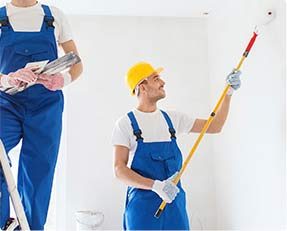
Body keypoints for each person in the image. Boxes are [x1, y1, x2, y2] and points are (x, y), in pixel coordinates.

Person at [112, 62, 241, 230]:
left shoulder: (172, 119)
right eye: (156, 78)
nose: (163, 82)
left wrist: (228, 93)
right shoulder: (125, 124)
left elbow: (215, 126)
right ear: (142, 87)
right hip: (142, 209)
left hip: (174, 206)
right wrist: (156, 186)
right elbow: (119, 170)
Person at [0, 0, 83, 229]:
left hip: (46, 104)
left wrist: (62, 80)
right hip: (7, 102)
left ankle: (28, 227)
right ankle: (2, 222)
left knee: (39, 172)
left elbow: (77, 64)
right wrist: (8, 78)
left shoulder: (54, 16)